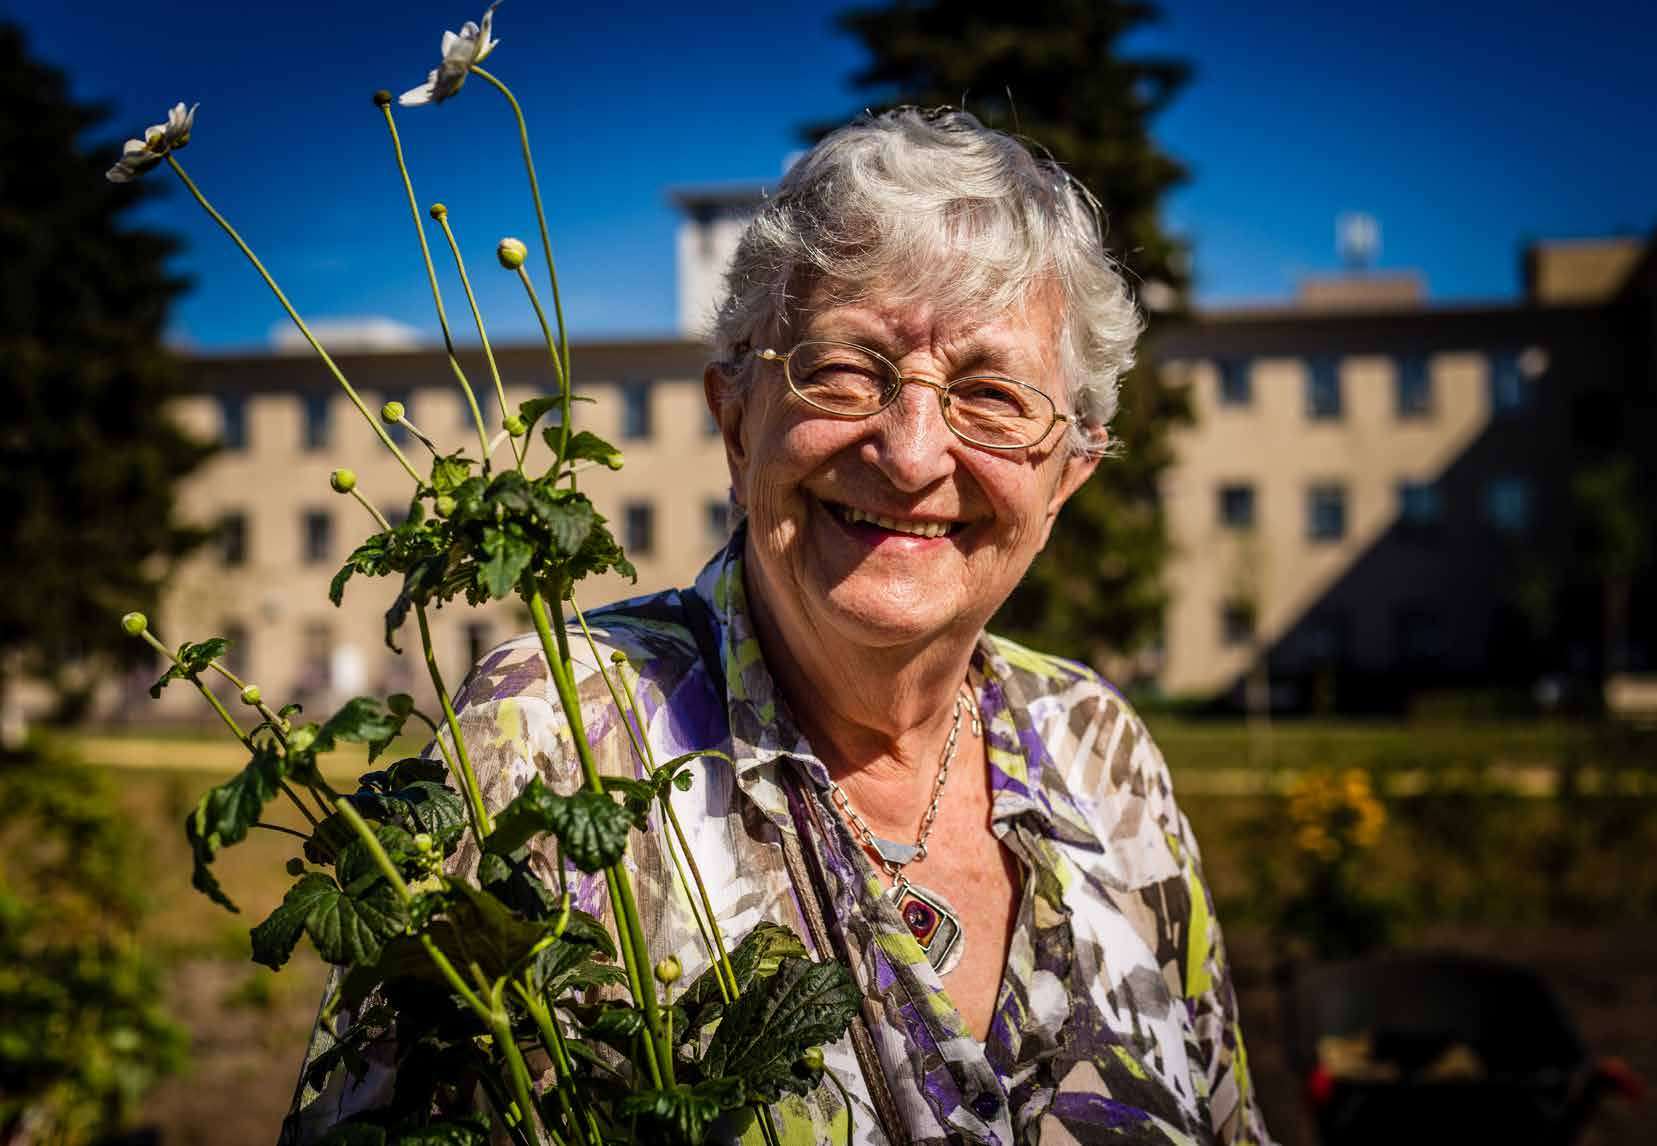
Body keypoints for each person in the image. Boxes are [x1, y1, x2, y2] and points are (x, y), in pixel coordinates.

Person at [290, 107, 1271, 1146]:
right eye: (846, 369)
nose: (910, 452)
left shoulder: (1100, 747)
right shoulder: (552, 740)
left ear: (1068, 472)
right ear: (736, 420)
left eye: (991, 395)